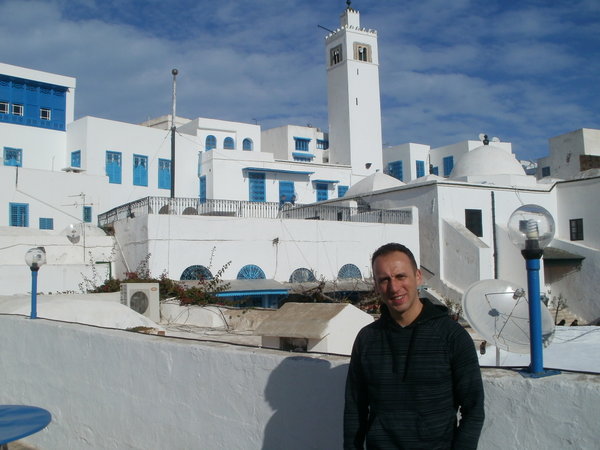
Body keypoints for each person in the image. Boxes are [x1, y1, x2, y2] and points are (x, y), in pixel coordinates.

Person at [344, 243, 484, 449]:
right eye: (384, 280)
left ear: (418, 276)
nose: (394, 287)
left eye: (401, 276)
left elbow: (473, 410)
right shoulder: (367, 339)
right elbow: (355, 409)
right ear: (376, 285)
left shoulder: (452, 337)